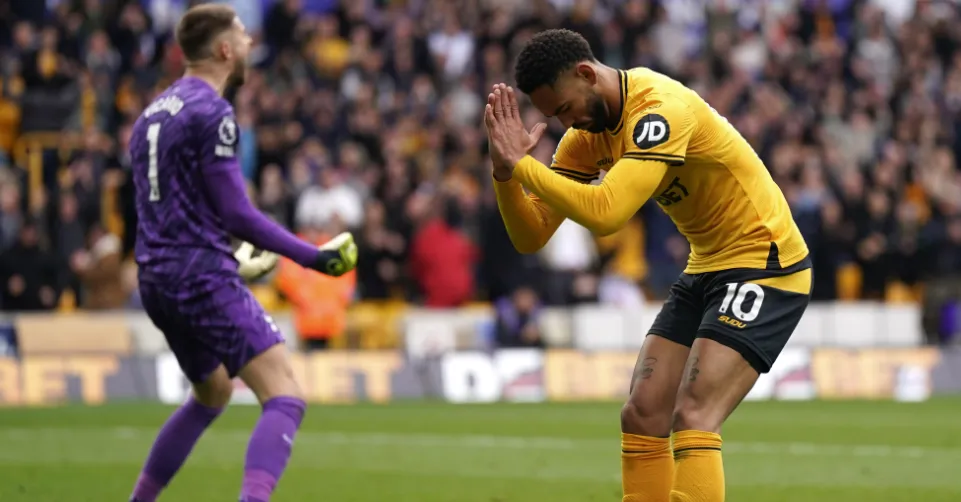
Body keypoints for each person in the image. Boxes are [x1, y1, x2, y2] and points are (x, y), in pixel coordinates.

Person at [485, 29, 812, 502]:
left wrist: (524, 165)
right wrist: (503, 173)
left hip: (765, 263)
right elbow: (530, 234)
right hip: (706, 267)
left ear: (585, 74)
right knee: (642, 413)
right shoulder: (585, 138)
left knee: (695, 414)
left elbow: (606, 213)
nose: (563, 123)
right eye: (552, 117)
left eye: (563, 109)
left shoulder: (658, 107)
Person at [126, 5, 357, 502]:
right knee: (287, 393)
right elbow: (238, 214)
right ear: (224, 50)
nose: (251, 45)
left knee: (213, 392)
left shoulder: (150, 115)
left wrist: (229, 254)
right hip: (199, 274)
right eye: (244, 37)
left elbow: (172, 207)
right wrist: (312, 256)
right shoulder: (214, 111)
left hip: (156, 278)